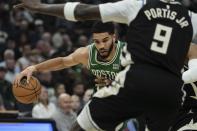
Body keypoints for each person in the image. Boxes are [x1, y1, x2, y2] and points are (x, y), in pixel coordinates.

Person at [14, 0, 197, 130]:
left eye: (105, 40)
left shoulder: (134, 22)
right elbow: (63, 61)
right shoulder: (88, 53)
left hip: (134, 88)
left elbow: (82, 11)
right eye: (97, 41)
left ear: (114, 38)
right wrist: (35, 68)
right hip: (161, 93)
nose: (101, 45)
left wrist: (39, 7)